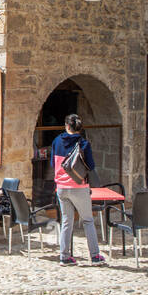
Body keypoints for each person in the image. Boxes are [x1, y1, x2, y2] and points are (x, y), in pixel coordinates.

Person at [52, 113, 106, 266]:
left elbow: (52, 163)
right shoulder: (84, 144)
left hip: (61, 187)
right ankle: (95, 256)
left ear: (66, 126)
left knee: (66, 221)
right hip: (79, 187)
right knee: (88, 220)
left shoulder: (56, 142)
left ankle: (64, 256)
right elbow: (91, 166)